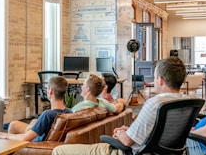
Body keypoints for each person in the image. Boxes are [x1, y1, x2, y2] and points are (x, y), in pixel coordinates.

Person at [52, 56, 186, 155]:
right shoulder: (185, 102)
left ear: (161, 80)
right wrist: (130, 131)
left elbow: (127, 141)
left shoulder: (154, 104)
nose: (153, 80)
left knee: (59, 150)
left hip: (126, 152)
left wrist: (121, 132)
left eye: (155, 77)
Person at [0, 76, 72, 141]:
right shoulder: (70, 112)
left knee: (2, 134)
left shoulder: (47, 115)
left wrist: (4, 135)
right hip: (44, 136)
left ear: (51, 91)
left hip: (36, 142)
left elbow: (25, 138)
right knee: (13, 125)